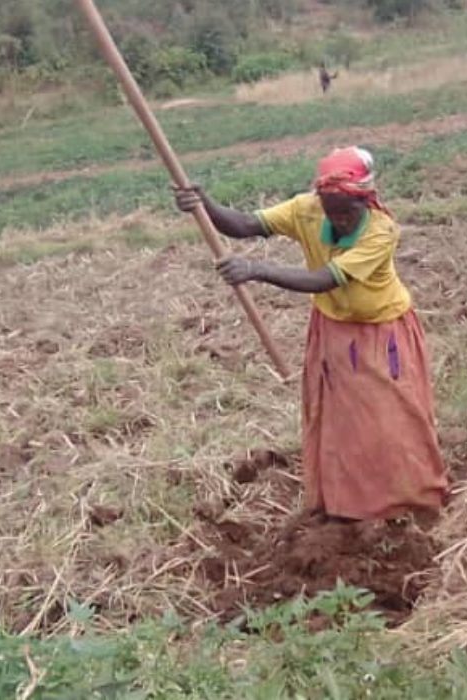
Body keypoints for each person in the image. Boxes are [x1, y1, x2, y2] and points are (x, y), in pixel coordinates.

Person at [173, 147, 449, 522]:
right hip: (334, 329)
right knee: (341, 421)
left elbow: (325, 278)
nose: (338, 219)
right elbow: (244, 225)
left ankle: (411, 500)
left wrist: (256, 269)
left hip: (382, 333)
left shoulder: (382, 231)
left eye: (346, 211)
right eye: (331, 209)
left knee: (392, 418)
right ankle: (349, 505)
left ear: (365, 201)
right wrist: (203, 204)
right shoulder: (307, 209)